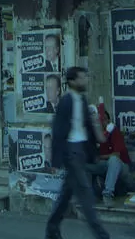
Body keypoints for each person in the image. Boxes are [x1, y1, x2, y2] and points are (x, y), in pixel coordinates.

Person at [46, 66, 109, 239]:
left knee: (66, 195)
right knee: (86, 194)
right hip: (71, 153)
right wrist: (55, 162)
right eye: (82, 78)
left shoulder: (82, 100)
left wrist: (95, 150)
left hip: (80, 151)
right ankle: (102, 235)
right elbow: (58, 132)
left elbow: (87, 128)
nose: (85, 80)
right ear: (72, 81)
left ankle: (52, 228)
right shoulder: (66, 101)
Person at [85, 111, 130, 201]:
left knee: (113, 159)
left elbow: (117, 155)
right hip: (104, 166)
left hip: (121, 167)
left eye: (104, 119)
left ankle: (107, 193)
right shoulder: (94, 134)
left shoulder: (114, 131)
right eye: (100, 120)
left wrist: (100, 157)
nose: (102, 122)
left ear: (109, 120)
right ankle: (86, 196)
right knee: (81, 165)